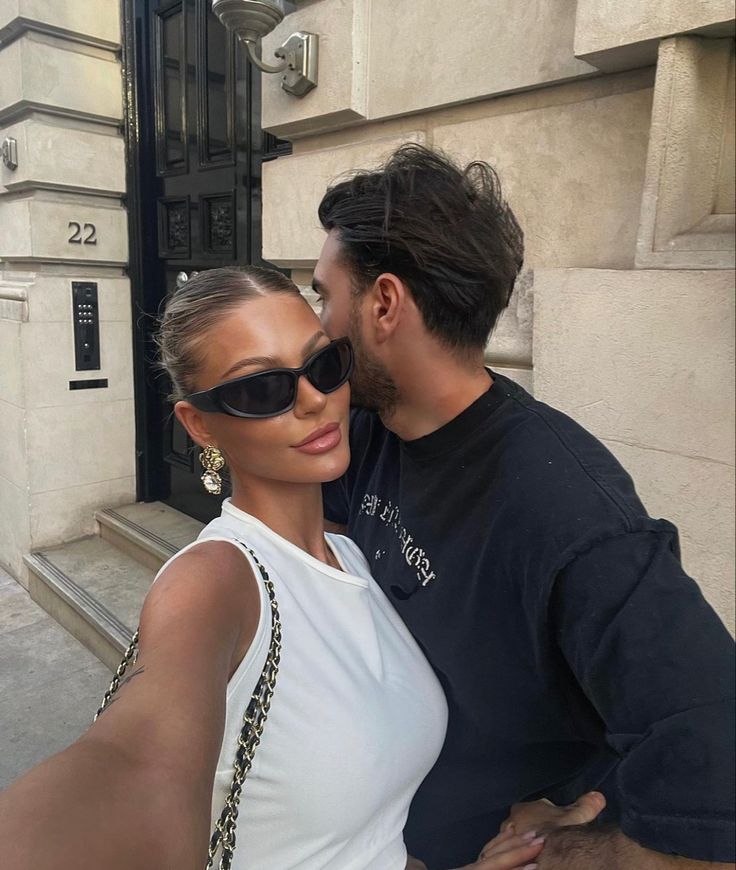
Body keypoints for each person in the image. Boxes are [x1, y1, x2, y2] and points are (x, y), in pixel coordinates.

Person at [0, 266, 562, 870]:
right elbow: (136, 761)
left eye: (324, 365)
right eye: (261, 388)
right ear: (199, 424)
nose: (314, 399)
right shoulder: (215, 580)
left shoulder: (355, 556)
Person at [314, 144, 736, 870]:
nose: (318, 324)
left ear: (383, 304)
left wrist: (567, 851)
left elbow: (716, 780)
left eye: (325, 295)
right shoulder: (365, 435)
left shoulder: (572, 514)